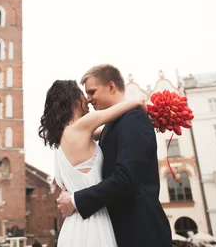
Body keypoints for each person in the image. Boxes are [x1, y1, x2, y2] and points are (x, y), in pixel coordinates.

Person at [54, 64, 172, 247]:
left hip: (139, 232)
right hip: (118, 229)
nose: (89, 99)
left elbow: (125, 178)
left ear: (111, 86)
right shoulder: (111, 125)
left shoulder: (134, 119)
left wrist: (76, 200)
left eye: (92, 92)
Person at [38, 75, 146, 246]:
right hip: (93, 222)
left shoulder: (63, 139)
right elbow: (125, 107)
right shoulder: (85, 124)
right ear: (73, 100)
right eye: (83, 94)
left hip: (73, 226)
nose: (88, 100)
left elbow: (108, 131)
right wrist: (142, 104)